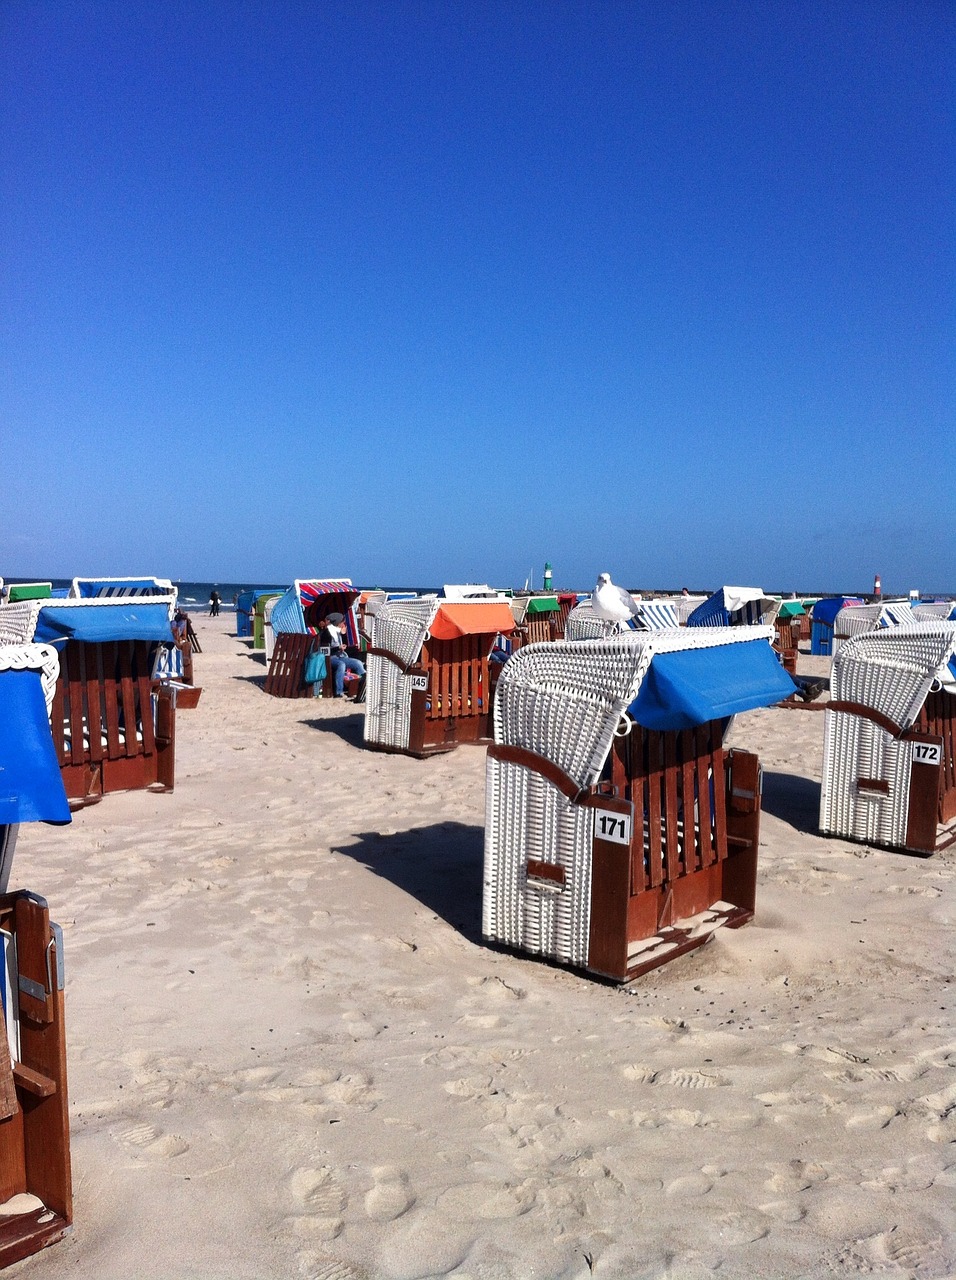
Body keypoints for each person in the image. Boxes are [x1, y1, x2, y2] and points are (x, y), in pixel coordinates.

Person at [319, 611, 366, 700]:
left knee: (357, 663)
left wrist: (343, 636)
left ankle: (363, 685)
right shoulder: (327, 633)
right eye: (342, 622)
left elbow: (344, 644)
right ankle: (338, 692)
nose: (343, 624)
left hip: (340, 656)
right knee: (341, 665)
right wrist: (338, 648)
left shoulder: (337, 632)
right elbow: (325, 650)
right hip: (330, 658)